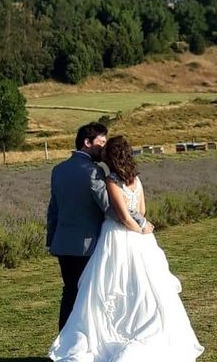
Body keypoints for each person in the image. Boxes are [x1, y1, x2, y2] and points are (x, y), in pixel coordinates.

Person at [48, 135, 204, 361]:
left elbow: (121, 215)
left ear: (110, 157)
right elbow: (140, 210)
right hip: (140, 240)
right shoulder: (136, 180)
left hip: (117, 237)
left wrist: (137, 228)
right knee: (140, 285)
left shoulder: (111, 181)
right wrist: (142, 228)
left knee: (109, 284)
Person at [47, 123, 152, 332]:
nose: (103, 149)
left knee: (69, 292)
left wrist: (51, 239)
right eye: (101, 143)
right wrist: (140, 221)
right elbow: (110, 207)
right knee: (89, 295)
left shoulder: (58, 170)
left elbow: (53, 209)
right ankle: (84, 341)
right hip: (88, 245)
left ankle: (65, 340)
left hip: (63, 244)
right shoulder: (92, 172)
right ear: (87, 142)